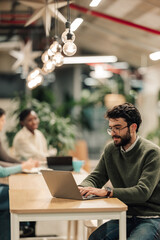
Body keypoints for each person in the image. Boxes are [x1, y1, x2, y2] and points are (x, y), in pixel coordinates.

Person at [79, 103, 160, 240]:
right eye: (110, 128)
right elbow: (97, 176)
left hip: (151, 217)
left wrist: (108, 192)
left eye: (118, 128)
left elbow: (142, 192)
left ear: (133, 127)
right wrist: (82, 188)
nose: (113, 133)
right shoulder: (111, 150)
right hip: (124, 215)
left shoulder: (152, 153)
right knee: (95, 238)